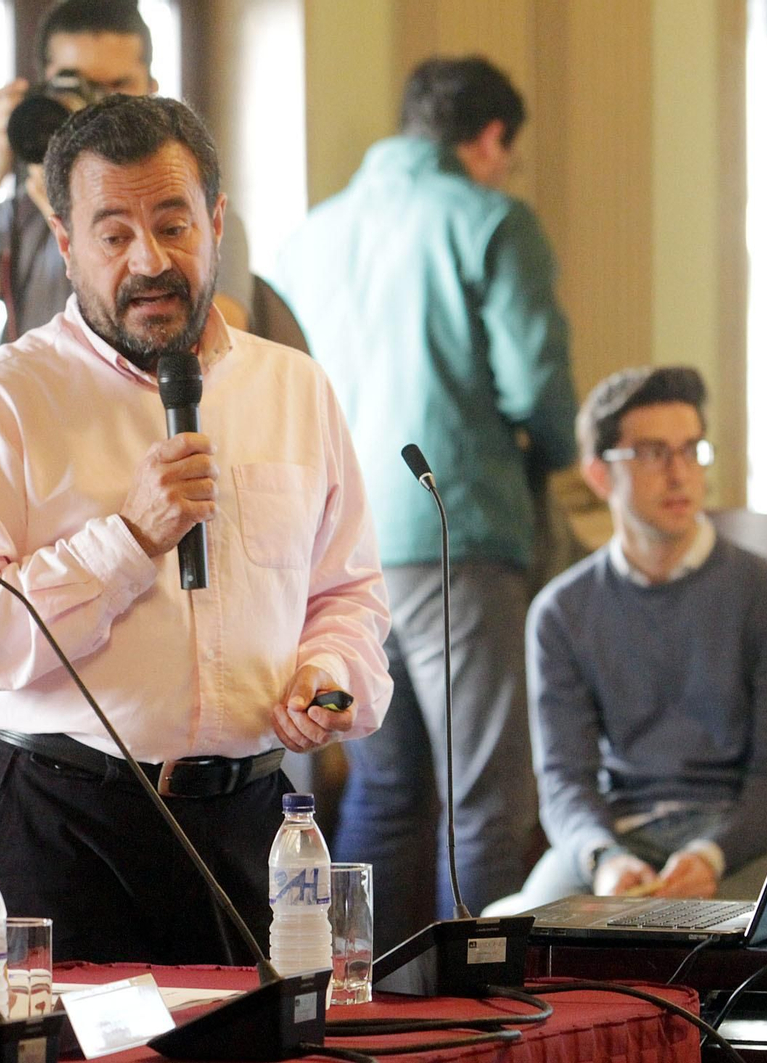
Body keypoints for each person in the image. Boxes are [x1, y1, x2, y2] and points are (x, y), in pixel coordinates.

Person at [0, 94, 392, 966]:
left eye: (173, 224)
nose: (149, 260)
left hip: (249, 821)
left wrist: (326, 672)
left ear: (217, 220)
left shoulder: (295, 389)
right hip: (58, 823)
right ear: (64, 242)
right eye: (114, 233)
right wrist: (125, 541)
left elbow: (346, 592)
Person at [271, 56, 577, 927]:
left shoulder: (311, 235)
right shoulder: (491, 219)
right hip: (456, 530)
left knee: (386, 786)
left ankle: (370, 997)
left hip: (334, 542)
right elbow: (539, 391)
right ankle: (477, 1017)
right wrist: (560, 450)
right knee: (480, 797)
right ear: (490, 141)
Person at [510, 366, 767, 909]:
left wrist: (712, 854)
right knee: (514, 938)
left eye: (692, 450)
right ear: (600, 475)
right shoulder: (561, 612)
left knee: (758, 941)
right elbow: (563, 779)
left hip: (741, 843)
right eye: (653, 453)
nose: (680, 474)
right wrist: (602, 858)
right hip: (619, 840)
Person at [0, 0, 252, 364]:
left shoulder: (188, 219)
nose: (96, 107)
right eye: (76, 85)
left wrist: (91, 224)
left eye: (117, 85)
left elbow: (214, 356)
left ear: (152, 92)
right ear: (46, 90)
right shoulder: (18, 222)